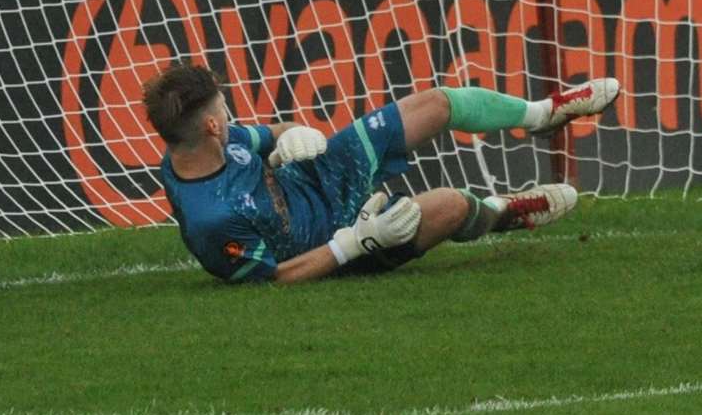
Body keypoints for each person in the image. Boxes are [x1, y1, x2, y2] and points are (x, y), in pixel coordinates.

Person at [140, 64, 619, 284]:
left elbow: (274, 134)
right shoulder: (211, 220)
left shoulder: (211, 144)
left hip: (318, 177)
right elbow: (275, 278)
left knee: (436, 103)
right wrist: (357, 243)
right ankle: (505, 211)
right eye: (225, 109)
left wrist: (292, 136)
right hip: (333, 241)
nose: (231, 115)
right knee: (451, 206)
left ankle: (543, 112)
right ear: (209, 125)